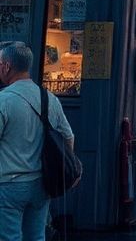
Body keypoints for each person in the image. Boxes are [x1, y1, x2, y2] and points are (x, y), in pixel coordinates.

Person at [0, 42, 74, 241]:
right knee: (36, 236)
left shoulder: (3, 101)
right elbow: (68, 137)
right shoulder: (49, 99)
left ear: (6, 66)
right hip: (41, 184)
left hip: (9, 184)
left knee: (9, 237)